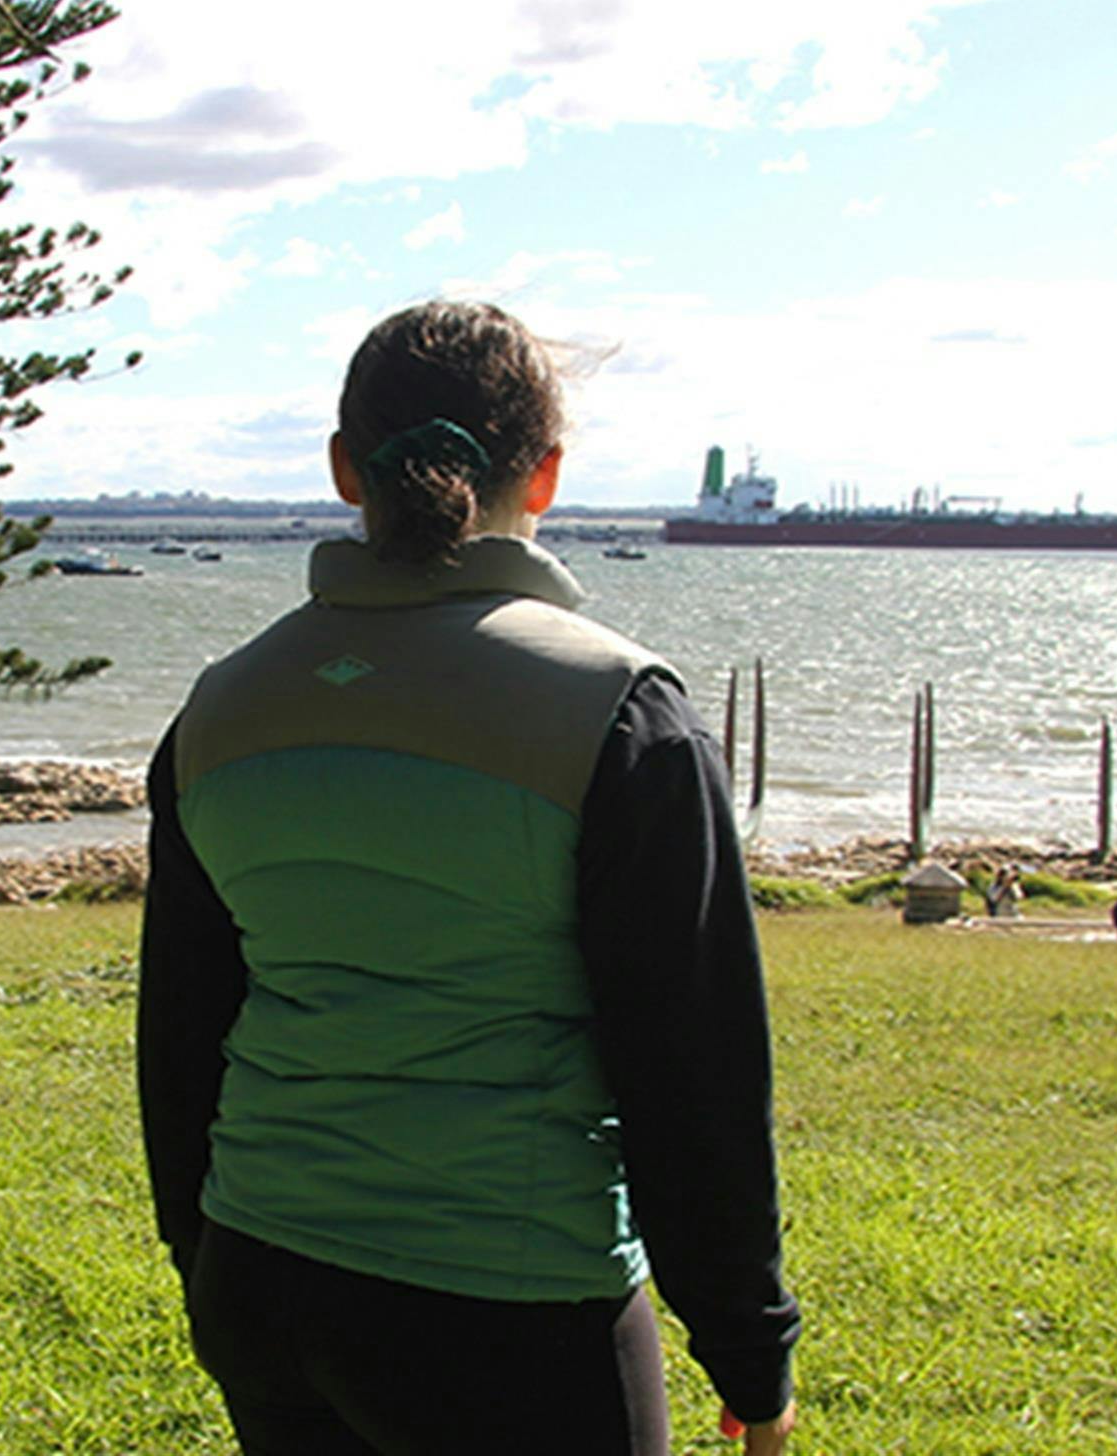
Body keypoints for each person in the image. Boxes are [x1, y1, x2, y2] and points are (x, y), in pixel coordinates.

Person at [137, 301, 800, 1455]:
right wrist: (747, 1344)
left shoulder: (221, 705)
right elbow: (689, 1064)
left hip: (257, 1275)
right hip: (511, 1312)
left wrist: (199, 1251)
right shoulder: (618, 711)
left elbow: (181, 1030)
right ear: (540, 476)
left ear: (346, 468)